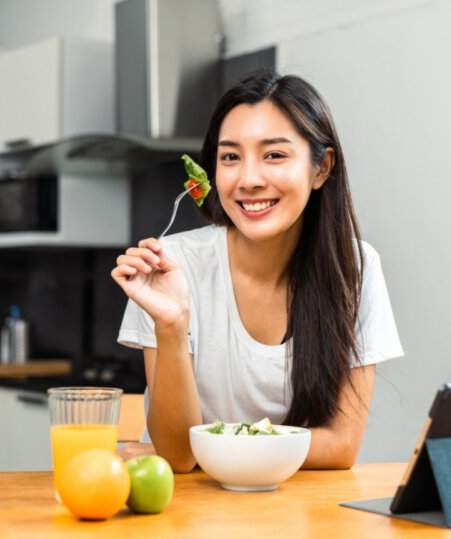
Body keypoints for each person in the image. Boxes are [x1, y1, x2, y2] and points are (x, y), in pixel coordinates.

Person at [112, 70, 403, 473]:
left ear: (321, 168)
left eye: (274, 155)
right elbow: (178, 456)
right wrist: (172, 325)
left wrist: (210, 446)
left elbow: (340, 447)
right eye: (230, 157)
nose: (249, 179)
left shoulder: (355, 267)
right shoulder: (169, 268)